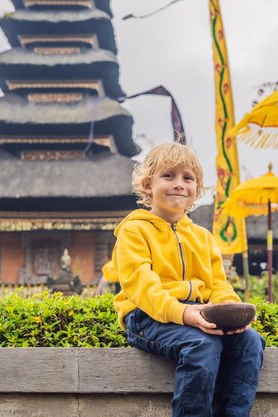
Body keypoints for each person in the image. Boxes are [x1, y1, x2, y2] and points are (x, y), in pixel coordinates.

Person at [112, 142, 265, 417]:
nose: (179, 184)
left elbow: (217, 284)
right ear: (148, 185)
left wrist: (232, 309)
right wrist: (181, 313)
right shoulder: (134, 230)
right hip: (147, 316)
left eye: (188, 178)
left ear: (196, 189)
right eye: (168, 176)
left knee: (250, 342)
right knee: (202, 344)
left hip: (196, 312)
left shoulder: (203, 237)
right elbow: (141, 286)